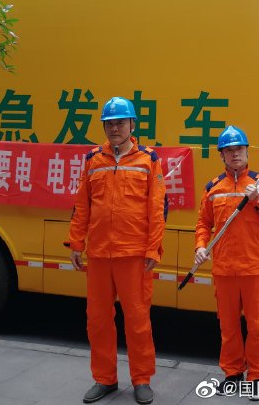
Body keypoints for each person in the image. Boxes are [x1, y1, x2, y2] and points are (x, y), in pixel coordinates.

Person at [67, 96, 166, 405]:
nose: (114, 128)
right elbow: (82, 205)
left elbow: (157, 209)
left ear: (132, 125)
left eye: (120, 123)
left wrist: (153, 249)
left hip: (133, 255)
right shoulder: (93, 160)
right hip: (99, 254)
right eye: (109, 124)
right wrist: (76, 242)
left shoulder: (148, 160)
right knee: (97, 320)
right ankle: (105, 379)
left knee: (137, 320)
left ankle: (141, 379)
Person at [194, 125, 259, 402]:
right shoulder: (213, 188)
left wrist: (258, 199)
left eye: (239, 149)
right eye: (229, 150)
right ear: (221, 155)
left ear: (247, 152)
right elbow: (203, 223)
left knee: (257, 326)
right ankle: (232, 374)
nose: (235, 154)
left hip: (253, 268)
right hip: (223, 269)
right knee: (228, 326)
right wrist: (200, 246)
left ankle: (257, 377)